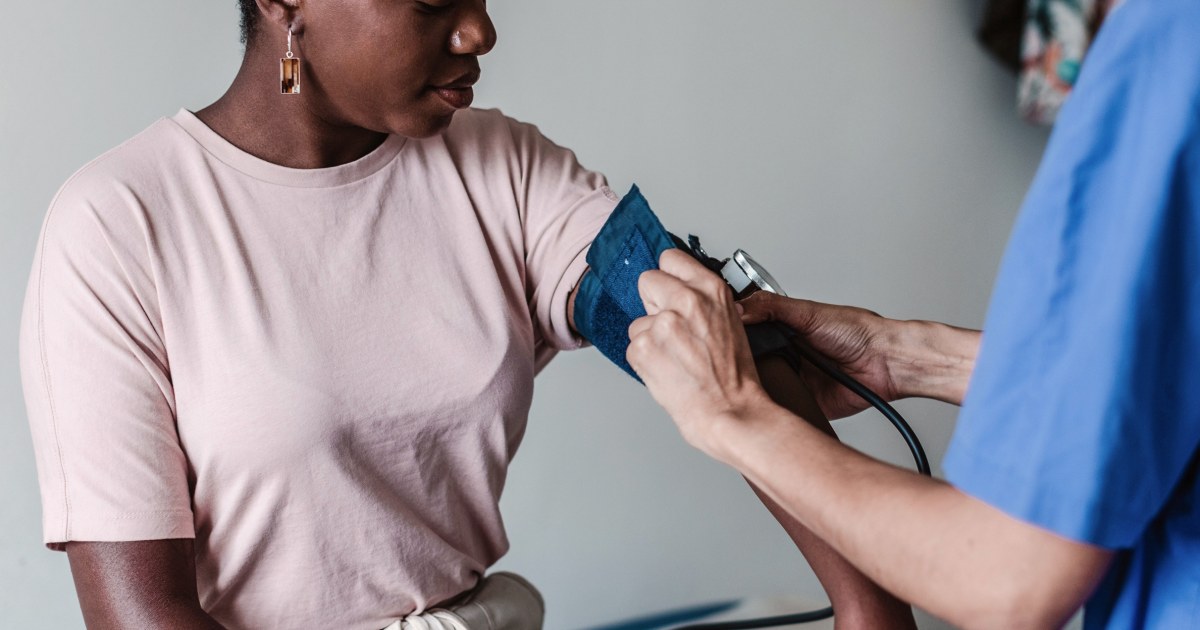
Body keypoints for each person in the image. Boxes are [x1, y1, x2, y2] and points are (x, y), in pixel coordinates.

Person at [19, 1, 914, 628]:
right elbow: (142, 615)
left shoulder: (502, 168)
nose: (482, 28)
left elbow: (709, 339)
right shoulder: (119, 224)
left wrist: (867, 605)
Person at [626, 0, 1200, 627]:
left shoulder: (1167, 51)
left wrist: (733, 417)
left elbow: (1009, 575)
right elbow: (1156, 380)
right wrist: (903, 357)